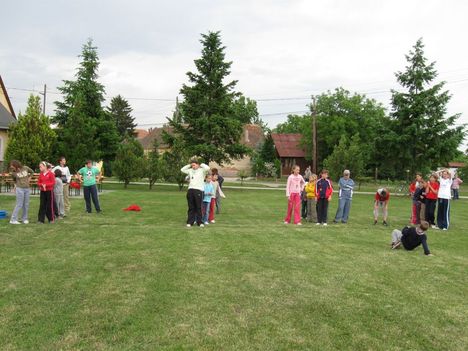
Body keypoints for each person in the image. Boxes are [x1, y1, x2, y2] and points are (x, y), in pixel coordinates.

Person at [181, 159, 210, 227]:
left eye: (194, 165)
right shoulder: (190, 170)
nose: (193, 166)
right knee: (191, 207)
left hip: (199, 190)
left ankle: (200, 222)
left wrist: (201, 164)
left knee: (198, 207)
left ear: (197, 164)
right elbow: (182, 169)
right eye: (192, 165)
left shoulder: (202, 170)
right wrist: (189, 165)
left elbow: (208, 168)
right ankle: (190, 222)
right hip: (190, 190)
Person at [9, 160, 34, 224]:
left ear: (16, 165)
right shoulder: (13, 173)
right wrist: (15, 186)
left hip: (27, 189)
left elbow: (32, 172)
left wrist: (29, 178)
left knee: (26, 204)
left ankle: (24, 219)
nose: (12, 167)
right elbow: (14, 180)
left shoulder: (25, 168)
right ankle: (13, 219)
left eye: (13, 166)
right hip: (19, 189)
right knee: (19, 204)